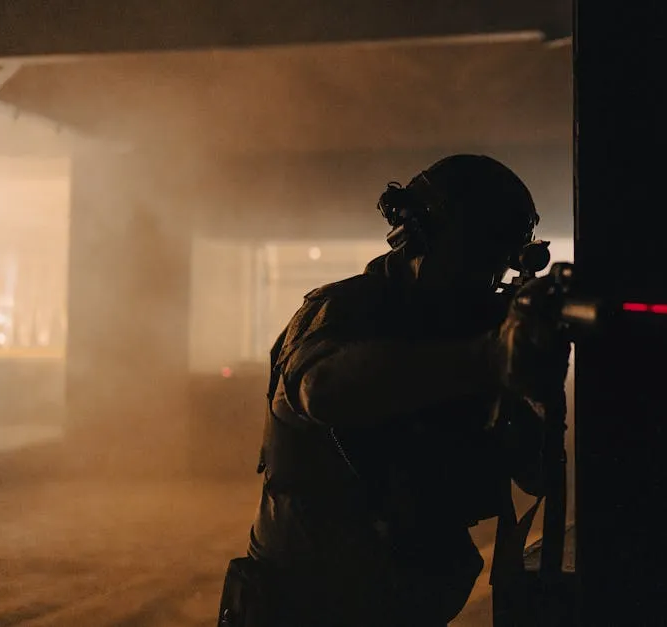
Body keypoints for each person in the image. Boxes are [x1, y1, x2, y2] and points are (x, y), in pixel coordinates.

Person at [219, 154, 570, 627]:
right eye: (470, 259)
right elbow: (322, 389)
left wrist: (533, 378)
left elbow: (536, 471)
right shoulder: (342, 310)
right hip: (305, 609)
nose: (485, 282)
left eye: (498, 266)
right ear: (417, 237)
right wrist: (488, 358)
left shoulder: (459, 329)